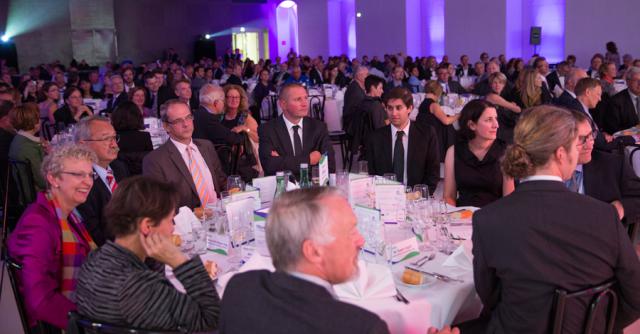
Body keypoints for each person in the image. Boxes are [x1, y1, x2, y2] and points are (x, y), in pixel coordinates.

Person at [470, 105, 640, 333]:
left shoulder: (487, 220)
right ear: (561, 153)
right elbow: (635, 294)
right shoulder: (604, 215)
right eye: (575, 145)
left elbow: (490, 298)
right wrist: (595, 324)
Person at [220, 187, 460, 334]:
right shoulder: (358, 327)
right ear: (313, 252)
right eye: (351, 231)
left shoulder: (240, 288)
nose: (361, 241)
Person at [75, 176, 220, 332]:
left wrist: (155, 255)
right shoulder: (140, 287)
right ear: (147, 226)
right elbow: (211, 320)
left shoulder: (94, 259)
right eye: (171, 220)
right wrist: (180, 261)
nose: (173, 228)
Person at [7, 144, 98, 330]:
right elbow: (39, 301)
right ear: (53, 178)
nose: (88, 182)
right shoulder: (38, 223)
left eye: (90, 175)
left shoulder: (70, 215)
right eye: (78, 175)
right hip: (54, 324)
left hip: (80, 306)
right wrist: (90, 322)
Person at [143, 99, 226, 209]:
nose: (186, 124)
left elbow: (221, 181)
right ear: (166, 126)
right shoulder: (155, 160)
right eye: (178, 121)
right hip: (187, 223)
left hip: (219, 214)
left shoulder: (206, 146)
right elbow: (159, 206)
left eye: (188, 117)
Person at [571, 113, 640, 225]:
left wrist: (621, 207)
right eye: (582, 139)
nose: (590, 144)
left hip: (601, 236)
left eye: (591, 135)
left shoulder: (611, 165)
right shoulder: (547, 171)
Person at [443, 100, 514, 207]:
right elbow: (449, 196)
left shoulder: (506, 151)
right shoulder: (453, 152)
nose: (496, 125)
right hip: (462, 217)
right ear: (472, 125)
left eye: (496, 119)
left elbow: (509, 199)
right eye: (489, 120)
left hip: (496, 217)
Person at [366, 87, 439, 191]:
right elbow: (372, 175)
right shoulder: (375, 138)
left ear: (410, 108)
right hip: (385, 197)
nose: (394, 113)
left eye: (399, 108)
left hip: (416, 198)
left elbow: (433, 173)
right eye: (390, 108)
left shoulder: (427, 134)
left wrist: (418, 195)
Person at [258, 83, 336, 179]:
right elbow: (269, 166)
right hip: (283, 190)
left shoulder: (318, 127)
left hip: (313, 188)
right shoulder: (268, 129)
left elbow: (330, 165)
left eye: (305, 98)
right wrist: (309, 160)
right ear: (283, 104)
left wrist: (283, 162)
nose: (304, 104)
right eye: (298, 99)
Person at [74, 116, 129, 246]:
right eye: (105, 139)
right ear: (83, 145)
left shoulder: (119, 167)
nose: (114, 145)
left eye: (114, 138)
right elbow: (95, 235)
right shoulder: (81, 182)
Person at [416, 81, 459, 162]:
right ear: (437, 92)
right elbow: (446, 121)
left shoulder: (422, 104)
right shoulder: (433, 105)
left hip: (426, 135)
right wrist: (458, 115)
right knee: (451, 128)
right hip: (436, 137)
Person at [8, 103, 47, 191]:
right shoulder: (28, 147)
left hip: (26, 191)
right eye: (39, 118)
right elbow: (43, 182)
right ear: (35, 123)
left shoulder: (18, 139)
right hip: (36, 195)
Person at [110, 101, 153, 175]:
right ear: (138, 117)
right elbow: (150, 160)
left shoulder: (112, 138)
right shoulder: (144, 136)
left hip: (118, 176)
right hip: (141, 177)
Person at [485, 72, 521, 143]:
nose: (497, 85)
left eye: (500, 82)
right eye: (494, 82)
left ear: (504, 85)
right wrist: (511, 105)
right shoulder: (493, 97)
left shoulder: (498, 97)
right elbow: (517, 109)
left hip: (500, 128)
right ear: (490, 85)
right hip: (498, 130)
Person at [605, 66, 640, 134]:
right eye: (636, 80)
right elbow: (613, 129)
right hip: (628, 141)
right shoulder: (616, 101)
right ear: (627, 81)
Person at [342, 65, 368, 134]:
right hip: (353, 124)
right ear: (359, 76)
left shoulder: (356, 86)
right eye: (367, 75)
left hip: (355, 120)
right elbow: (363, 107)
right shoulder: (355, 90)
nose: (369, 77)